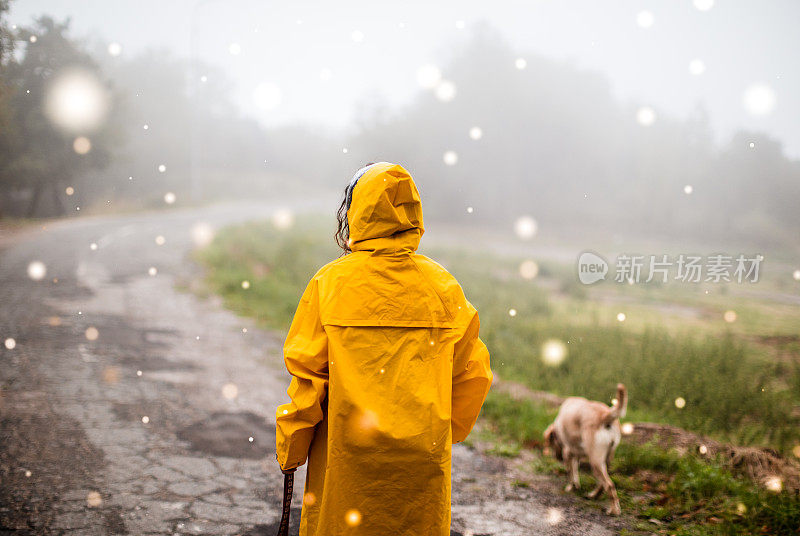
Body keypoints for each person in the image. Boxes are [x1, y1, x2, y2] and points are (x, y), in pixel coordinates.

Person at [275, 162, 493, 535]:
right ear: (413, 216)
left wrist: (292, 449)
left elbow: (309, 380)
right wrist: (438, 435)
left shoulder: (330, 284)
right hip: (420, 469)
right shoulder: (443, 288)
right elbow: (473, 375)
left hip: (346, 463)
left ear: (355, 212)